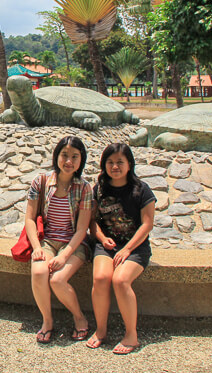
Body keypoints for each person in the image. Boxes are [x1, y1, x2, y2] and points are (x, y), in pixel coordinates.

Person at [86, 142, 155, 354]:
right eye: (110, 162)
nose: (115, 166)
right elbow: (92, 221)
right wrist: (101, 237)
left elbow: (147, 224)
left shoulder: (141, 190)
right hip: (107, 245)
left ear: (129, 164)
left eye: (119, 162)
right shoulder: (99, 189)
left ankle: (131, 336)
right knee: (100, 279)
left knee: (121, 280)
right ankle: (101, 330)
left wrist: (127, 249)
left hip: (135, 248)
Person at [24, 135, 93, 344]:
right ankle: (47, 321)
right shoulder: (41, 181)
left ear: (81, 160)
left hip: (74, 244)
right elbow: (29, 219)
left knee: (57, 279)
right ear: (56, 156)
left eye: (75, 156)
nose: (69, 161)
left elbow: (82, 230)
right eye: (64, 155)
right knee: (38, 272)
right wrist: (37, 248)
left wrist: (64, 256)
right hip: (48, 241)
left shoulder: (84, 188)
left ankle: (79, 317)